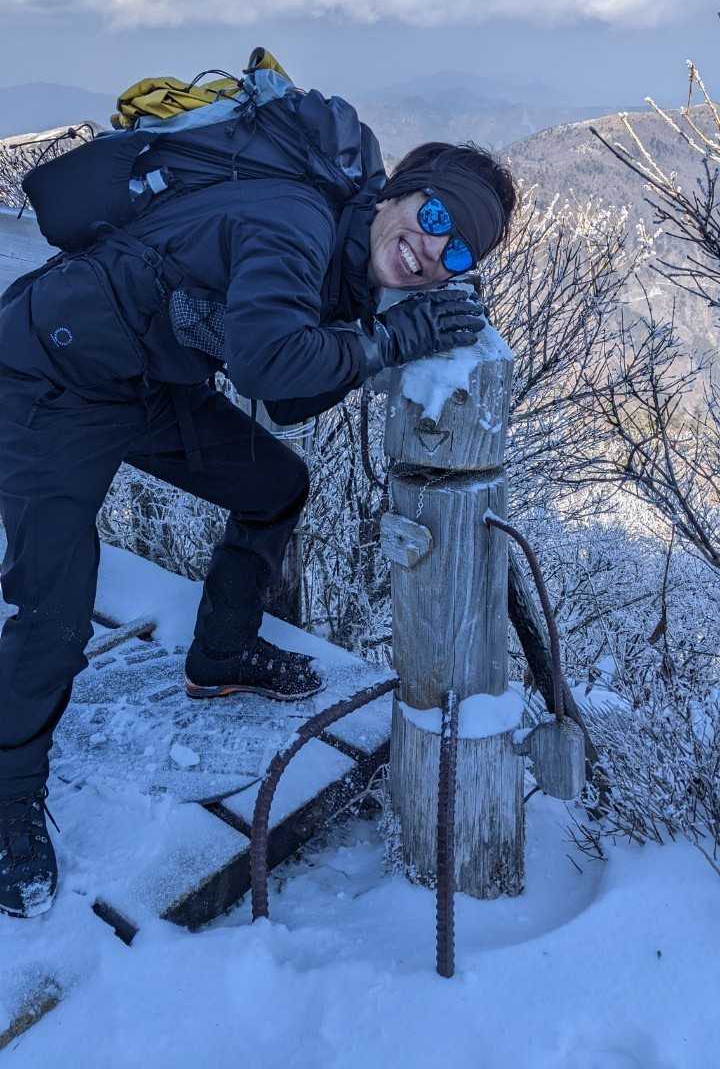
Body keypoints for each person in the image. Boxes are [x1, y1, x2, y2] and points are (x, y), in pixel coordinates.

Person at [0, 89, 516, 918]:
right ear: (396, 192)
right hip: (49, 375)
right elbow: (272, 364)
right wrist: (394, 339)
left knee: (273, 485)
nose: (430, 250)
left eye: (456, 252)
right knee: (55, 607)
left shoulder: (345, 246)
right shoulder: (294, 222)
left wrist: (380, 333)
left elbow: (286, 398)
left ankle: (221, 652)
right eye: (434, 217)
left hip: (142, 380)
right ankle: (9, 796)